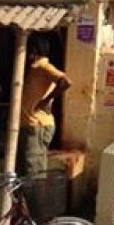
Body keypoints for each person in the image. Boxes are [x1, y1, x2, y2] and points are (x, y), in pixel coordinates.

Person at [18, 36, 71, 177]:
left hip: (36, 125)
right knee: (26, 171)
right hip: (31, 125)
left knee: (34, 173)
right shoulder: (36, 68)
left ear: (34, 50)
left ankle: (37, 199)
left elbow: (65, 81)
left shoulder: (43, 66)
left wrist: (47, 100)